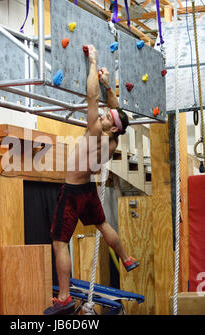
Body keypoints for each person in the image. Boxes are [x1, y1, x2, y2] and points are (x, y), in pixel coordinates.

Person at [43, 45, 139, 316]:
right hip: (89, 190)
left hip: (73, 191)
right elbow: (117, 112)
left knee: (60, 242)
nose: (106, 114)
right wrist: (111, 87)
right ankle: (126, 258)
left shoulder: (96, 131)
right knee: (102, 223)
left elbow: (91, 97)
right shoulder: (112, 140)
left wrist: (93, 64)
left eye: (108, 117)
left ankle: (63, 298)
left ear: (109, 126)